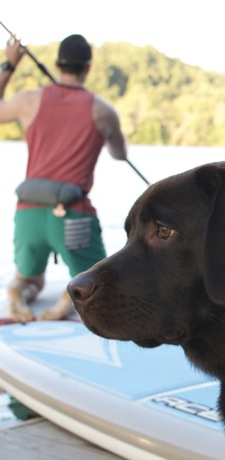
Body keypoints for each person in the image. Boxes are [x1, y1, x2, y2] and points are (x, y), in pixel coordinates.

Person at [0, 33, 128, 322]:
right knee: (96, 283)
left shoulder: (29, 101)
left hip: (28, 215)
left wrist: (9, 66)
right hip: (72, 217)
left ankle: (17, 294)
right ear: (88, 68)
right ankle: (64, 302)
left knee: (30, 279)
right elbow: (119, 154)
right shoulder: (103, 111)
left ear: (57, 64)